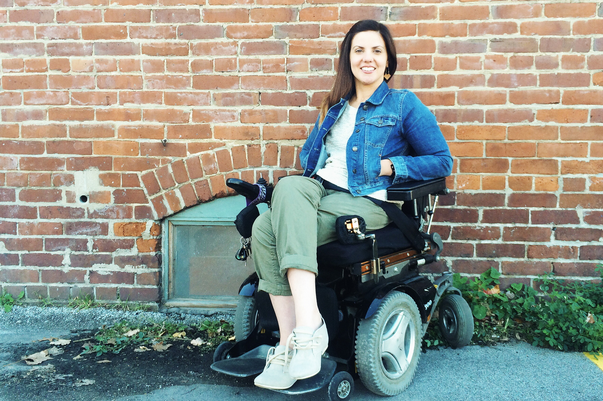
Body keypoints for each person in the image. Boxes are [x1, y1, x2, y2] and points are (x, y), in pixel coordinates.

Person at [249, 19, 453, 390]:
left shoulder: (404, 104)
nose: (367, 58)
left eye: (376, 50)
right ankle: (294, 338)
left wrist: (392, 165)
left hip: (367, 200)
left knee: (267, 228)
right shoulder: (335, 105)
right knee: (287, 192)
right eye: (359, 50)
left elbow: (442, 161)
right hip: (322, 191)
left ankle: (305, 334)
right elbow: (310, 158)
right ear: (348, 59)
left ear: (388, 60)